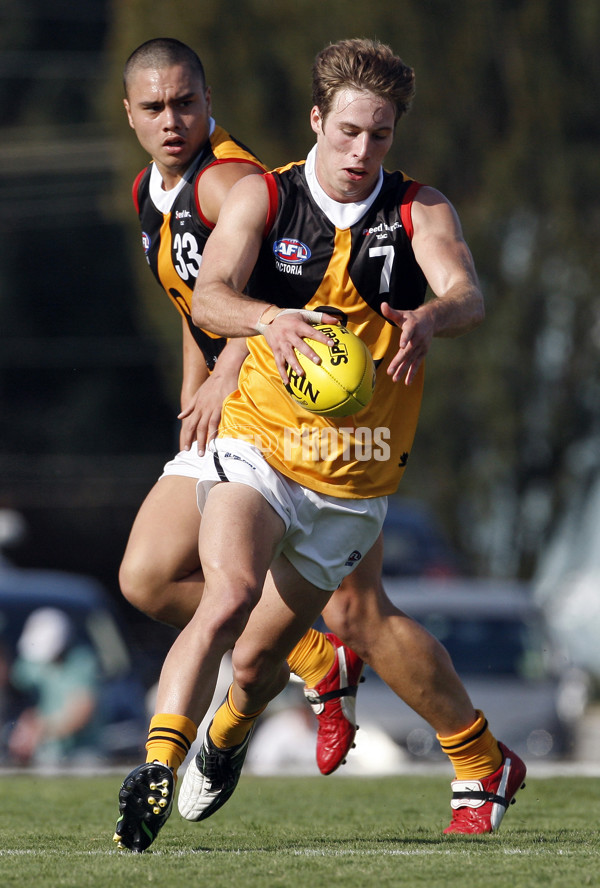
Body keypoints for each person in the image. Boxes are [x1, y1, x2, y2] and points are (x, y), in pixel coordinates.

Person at [113, 38, 526, 853]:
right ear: (317, 121)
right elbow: (211, 296)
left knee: (307, 636)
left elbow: (465, 290)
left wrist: (430, 317)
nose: (360, 150)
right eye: (346, 132)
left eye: (378, 135)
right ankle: (162, 760)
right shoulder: (260, 196)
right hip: (259, 445)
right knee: (210, 591)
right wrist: (250, 339)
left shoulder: (415, 209)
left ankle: (241, 727)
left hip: (352, 470)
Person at [117, 36, 365, 784]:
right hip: (228, 391)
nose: (172, 120)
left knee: (364, 609)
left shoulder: (228, 181)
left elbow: (279, 283)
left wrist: (228, 369)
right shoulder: (148, 192)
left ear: (208, 102)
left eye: (185, 103)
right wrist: (195, 388)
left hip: (277, 401)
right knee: (147, 581)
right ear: (128, 114)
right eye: (155, 107)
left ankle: (476, 762)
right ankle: (321, 660)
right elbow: (195, 307)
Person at [8, 608, 100, 765]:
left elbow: (82, 711)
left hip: (81, 755)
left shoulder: (82, 663)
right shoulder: (29, 663)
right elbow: (17, 691)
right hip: (44, 753)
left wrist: (40, 728)